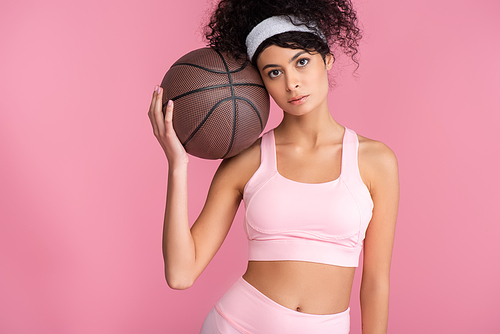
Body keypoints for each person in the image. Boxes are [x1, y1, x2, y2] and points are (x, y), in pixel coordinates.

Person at [148, 0, 399, 332]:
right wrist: (177, 165)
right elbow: (181, 274)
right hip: (237, 326)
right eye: (274, 72)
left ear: (327, 59)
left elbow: (376, 282)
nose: (291, 83)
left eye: (302, 62)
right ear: (261, 82)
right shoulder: (247, 160)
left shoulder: (376, 161)